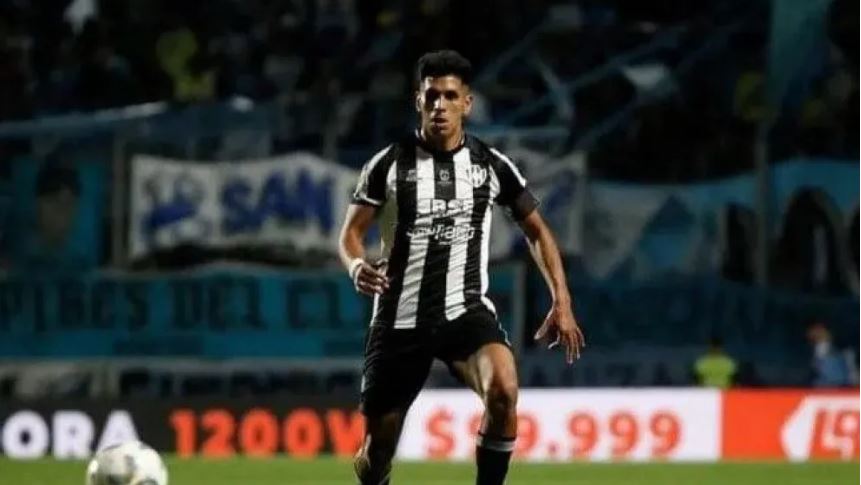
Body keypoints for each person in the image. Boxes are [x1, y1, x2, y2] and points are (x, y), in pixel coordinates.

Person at [338, 50, 585, 485]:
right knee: (378, 452)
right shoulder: (388, 165)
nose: (440, 105)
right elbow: (350, 234)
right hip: (400, 319)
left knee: (504, 390)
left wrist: (561, 300)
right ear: (418, 100)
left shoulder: (490, 165)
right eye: (432, 95)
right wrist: (356, 264)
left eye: (450, 96)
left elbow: (537, 230)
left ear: (466, 103)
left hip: (464, 311)